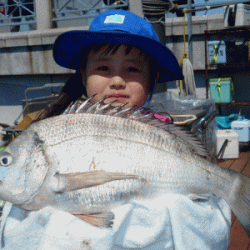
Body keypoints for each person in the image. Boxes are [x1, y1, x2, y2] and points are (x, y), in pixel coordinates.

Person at [0, 9, 231, 250]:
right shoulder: (56, 126)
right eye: (103, 68)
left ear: (153, 80)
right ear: (83, 74)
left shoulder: (162, 130)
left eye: (132, 69)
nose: (117, 80)